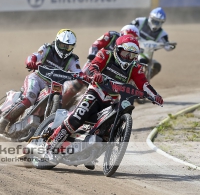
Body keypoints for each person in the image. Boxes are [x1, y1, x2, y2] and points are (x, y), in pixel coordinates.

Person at [37, 35, 163, 170]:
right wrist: (96, 73)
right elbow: (93, 66)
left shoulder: (136, 67)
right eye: (125, 53)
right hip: (95, 93)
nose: (127, 58)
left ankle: (90, 153)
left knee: (107, 130)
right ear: (117, 50)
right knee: (77, 118)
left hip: (112, 100)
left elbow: (144, 84)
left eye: (132, 56)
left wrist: (155, 95)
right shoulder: (105, 54)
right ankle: (50, 147)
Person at [0, 29, 84, 134]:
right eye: (62, 45)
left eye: (68, 47)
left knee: (64, 103)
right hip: (37, 78)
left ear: (73, 47)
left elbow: (79, 73)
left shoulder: (73, 59)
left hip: (55, 85)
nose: (65, 49)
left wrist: (85, 78)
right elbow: (34, 56)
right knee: (29, 97)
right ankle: (3, 121)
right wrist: (31, 62)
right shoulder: (47, 49)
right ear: (57, 42)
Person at [130, 7, 176, 78]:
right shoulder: (139, 21)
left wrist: (171, 46)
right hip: (130, 50)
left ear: (162, 22)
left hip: (146, 55)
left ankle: (144, 79)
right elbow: (127, 29)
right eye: (154, 21)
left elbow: (167, 46)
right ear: (150, 17)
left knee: (157, 66)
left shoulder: (163, 34)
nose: (155, 24)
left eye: (158, 22)